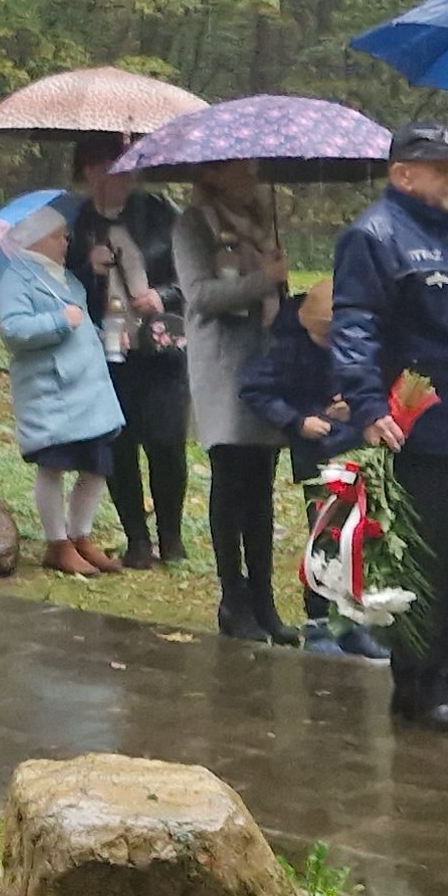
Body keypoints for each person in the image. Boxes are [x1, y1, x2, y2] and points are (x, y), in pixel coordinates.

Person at [331, 126, 448, 735]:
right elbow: (355, 325)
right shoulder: (373, 235)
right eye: (439, 167)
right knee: (425, 562)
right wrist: (366, 403)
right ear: (404, 174)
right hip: (414, 423)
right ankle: (419, 684)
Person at [237, 277, 389, 658]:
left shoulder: (358, 344)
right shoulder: (286, 346)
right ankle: (320, 623)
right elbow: (256, 389)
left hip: (358, 449)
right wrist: (298, 421)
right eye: (324, 337)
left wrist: (357, 405)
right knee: (324, 538)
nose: (329, 344)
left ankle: (353, 620)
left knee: (362, 539)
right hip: (318, 457)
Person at [175, 164, 293, 641]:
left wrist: (278, 281)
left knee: (261, 485)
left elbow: (276, 290)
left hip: (265, 361)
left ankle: (264, 600)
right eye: (239, 166)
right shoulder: (193, 223)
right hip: (222, 366)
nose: (250, 173)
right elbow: (199, 295)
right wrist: (263, 279)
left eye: (253, 166)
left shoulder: (264, 221)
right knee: (231, 481)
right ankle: (233, 598)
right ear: (215, 173)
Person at [0, 200, 122, 569]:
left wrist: (101, 335)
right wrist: (60, 320)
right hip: (52, 392)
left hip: (89, 391)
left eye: (65, 236)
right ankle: (57, 542)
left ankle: (81, 535)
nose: (65, 243)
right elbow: (14, 330)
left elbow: (81, 322)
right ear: (35, 239)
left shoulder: (67, 278)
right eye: (58, 236)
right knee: (54, 465)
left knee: (96, 465)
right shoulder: (13, 279)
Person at [69, 141, 186, 568]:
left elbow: (192, 274)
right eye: (107, 168)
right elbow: (60, 283)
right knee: (120, 445)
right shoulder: (76, 222)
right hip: (107, 349)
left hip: (162, 344)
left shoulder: (161, 212)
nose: (119, 178)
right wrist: (87, 266)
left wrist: (162, 295)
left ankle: (171, 538)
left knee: (167, 441)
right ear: (88, 172)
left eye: (125, 169)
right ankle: (137, 539)